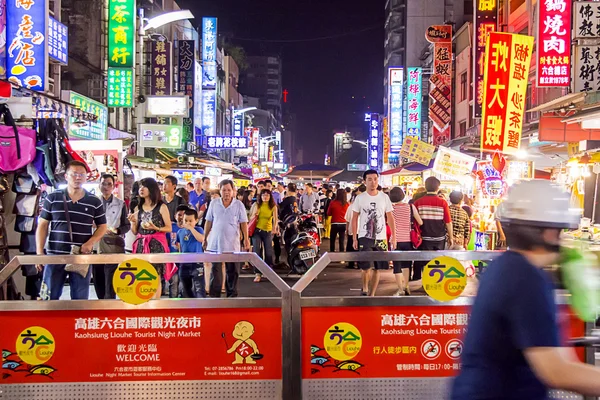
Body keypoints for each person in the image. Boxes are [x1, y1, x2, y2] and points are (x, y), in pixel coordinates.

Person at [450, 180, 600, 399]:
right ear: (549, 232)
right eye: (562, 229)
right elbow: (557, 371)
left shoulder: (504, 266)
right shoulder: (526, 278)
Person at [37, 161, 108, 300]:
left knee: (80, 299)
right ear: (66, 176)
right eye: (74, 174)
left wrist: (91, 242)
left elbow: (103, 226)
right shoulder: (53, 198)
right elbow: (43, 225)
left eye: (82, 174)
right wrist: (40, 253)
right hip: (55, 255)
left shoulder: (94, 201)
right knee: (48, 298)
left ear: (86, 177)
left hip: (80, 255)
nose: (78, 177)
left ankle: (77, 322)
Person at [351, 170, 396, 296]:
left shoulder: (384, 197)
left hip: (381, 238)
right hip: (364, 237)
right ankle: (365, 288)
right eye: (369, 179)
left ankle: (372, 294)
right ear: (365, 181)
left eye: (375, 179)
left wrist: (393, 236)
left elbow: (390, 217)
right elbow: (354, 218)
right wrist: (354, 237)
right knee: (365, 267)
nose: (373, 182)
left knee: (378, 267)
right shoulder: (360, 198)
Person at [204, 179, 250, 297]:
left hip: (232, 243)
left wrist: (246, 239)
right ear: (220, 191)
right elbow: (208, 221)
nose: (226, 193)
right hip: (216, 243)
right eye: (224, 190)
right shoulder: (214, 203)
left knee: (233, 271)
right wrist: (205, 238)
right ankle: (215, 297)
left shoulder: (239, 205)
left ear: (233, 191)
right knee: (216, 271)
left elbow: (243, 223)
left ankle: (232, 295)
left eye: (229, 190)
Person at [129, 177, 173, 298]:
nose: (141, 189)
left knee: (155, 276)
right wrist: (133, 222)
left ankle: (155, 304)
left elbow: (169, 228)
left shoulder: (161, 207)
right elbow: (134, 231)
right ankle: (145, 302)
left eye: (144, 186)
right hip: (141, 245)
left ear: (152, 189)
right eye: (140, 187)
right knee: (142, 276)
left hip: (156, 245)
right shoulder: (138, 208)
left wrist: (156, 227)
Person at [93, 173, 130, 299]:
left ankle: (110, 304)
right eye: (103, 183)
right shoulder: (92, 201)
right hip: (95, 244)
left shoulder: (120, 204)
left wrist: (117, 231)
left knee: (111, 276)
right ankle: (101, 304)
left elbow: (126, 225)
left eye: (109, 184)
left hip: (112, 244)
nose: (106, 187)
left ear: (114, 186)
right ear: (99, 185)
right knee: (98, 276)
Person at [413, 177, 453, 281]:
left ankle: (426, 284)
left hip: (424, 237)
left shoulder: (418, 202)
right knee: (437, 261)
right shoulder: (443, 203)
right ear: (438, 187)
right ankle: (435, 284)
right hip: (439, 238)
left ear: (425, 187)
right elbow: (448, 222)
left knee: (425, 261)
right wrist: (451, 237)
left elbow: (415, 222)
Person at [389, 187, 422, 296]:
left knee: (397, 266)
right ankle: (406, 286)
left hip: (395, 240)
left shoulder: (390, 209)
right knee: (407, 265)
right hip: (408, 240)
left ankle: (400, 289)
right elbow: (420, 222)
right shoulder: (411, 207)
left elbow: (388, 224)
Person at [249, 189, 279, 282]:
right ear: (260, 196)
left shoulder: (273, 206)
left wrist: (274, 228)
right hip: (257, 231)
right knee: (257, 251)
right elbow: (250, 217)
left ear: (270, 197)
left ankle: (268, 271)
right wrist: (255, 214)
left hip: (268, 231)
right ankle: (258, 273)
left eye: (267, 195)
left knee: (268, 252)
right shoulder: (257, 205)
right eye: (263, 195)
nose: (265, 197)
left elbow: (275, 219)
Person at [175, 208, 206, 298]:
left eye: (190, 221)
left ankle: (201, 306)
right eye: (186, 220)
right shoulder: (180, 232)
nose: (188, 223)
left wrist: (191, 229)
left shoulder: (199, 229)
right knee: (185, 287)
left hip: (197, 263)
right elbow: (180, 246)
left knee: (199, 287)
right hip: (184, 263)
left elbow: (201, 239)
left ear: (196, 221)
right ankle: (190, 305)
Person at [345, 185, 366, 269]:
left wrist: (347, 230)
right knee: (361, 248)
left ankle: (351, 263)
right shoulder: (365, 207)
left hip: (352, 231)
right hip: (362, 231)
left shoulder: (351, 207)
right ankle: (360, 264)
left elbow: (347, 220)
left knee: (351, 248)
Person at [327, 188, 349, 253]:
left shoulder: (333, 202)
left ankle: (332, 255)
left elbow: (328, 213)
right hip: (343, 224)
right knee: (341, 241)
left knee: (332, 240)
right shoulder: (347, 204)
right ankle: (341, 258)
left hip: (334, 223)